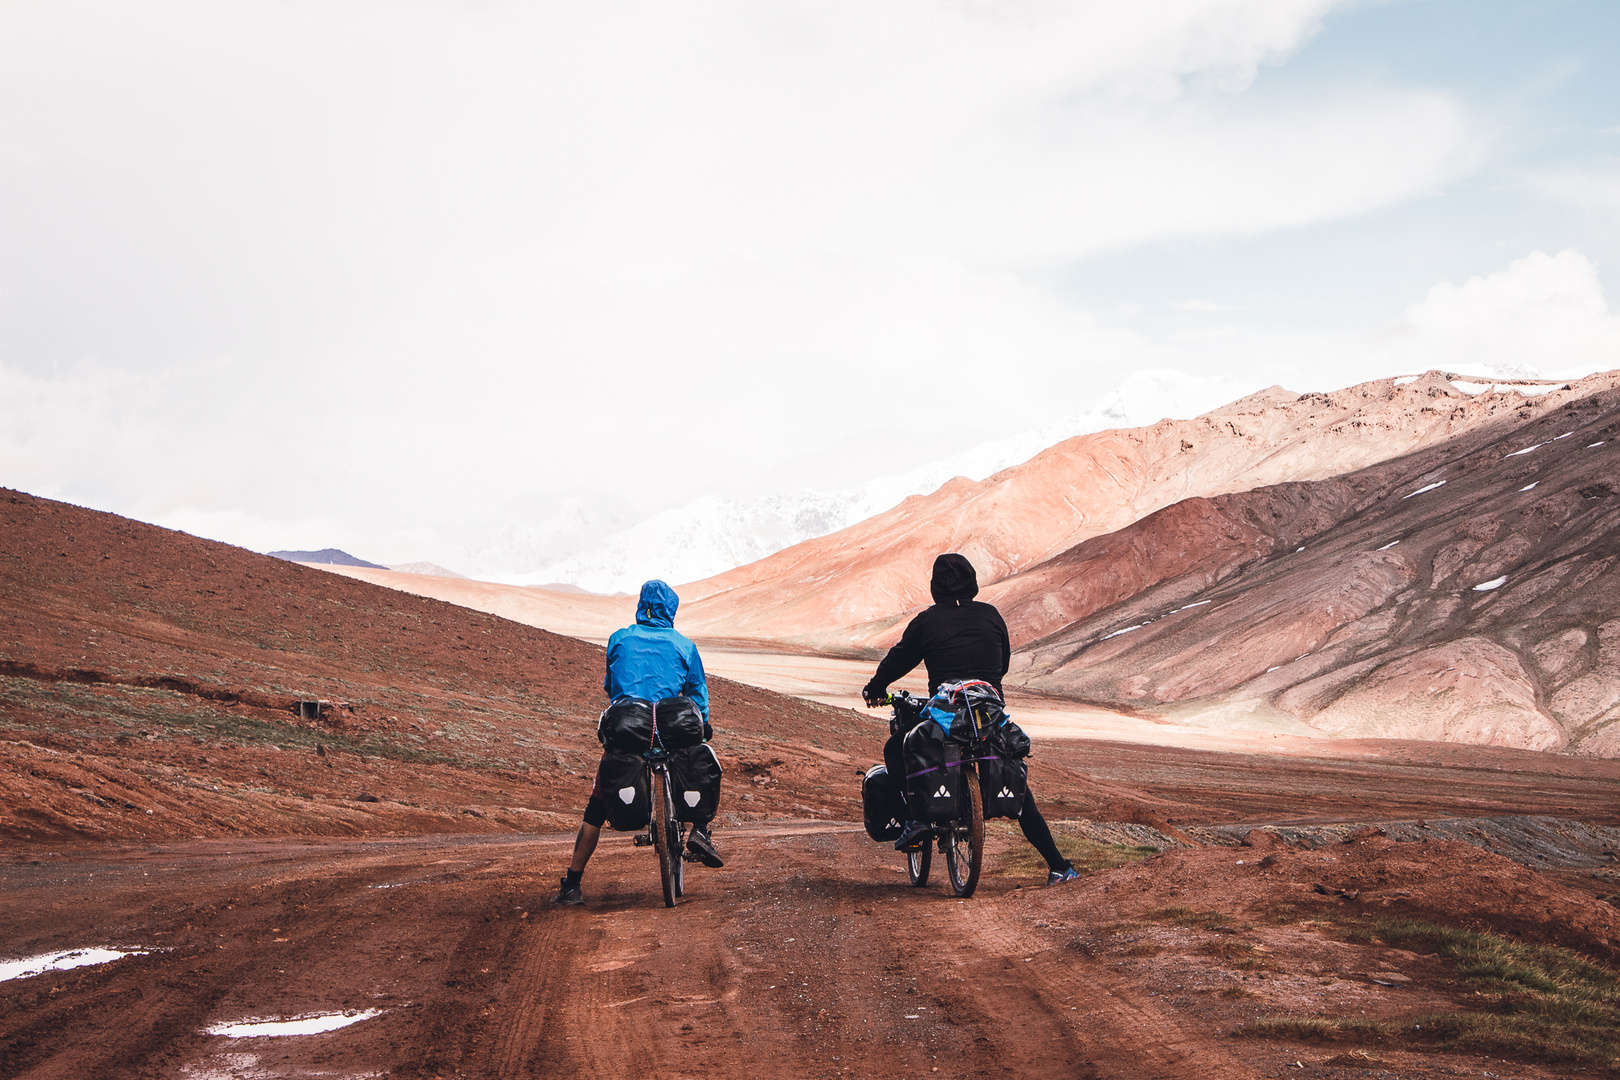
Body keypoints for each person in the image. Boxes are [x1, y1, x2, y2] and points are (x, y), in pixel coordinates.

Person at [862, 553, 1079, 884]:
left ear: (935, 587)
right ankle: (1059, 866)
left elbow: (898, 659)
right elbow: (1002, 662)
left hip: (948, 713)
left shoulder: (928, 621)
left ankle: (915, 821)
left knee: (897, 748)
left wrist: (876, 688)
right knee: (1020, 791)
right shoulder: (990, 616)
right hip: (988, 713)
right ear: (973, 582)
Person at [552, 579, 723, 905]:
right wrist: (702, 724)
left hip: (629, 730)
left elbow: (611, 685)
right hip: (670, 731)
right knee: (699, 761)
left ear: (640, 605)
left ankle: (571, 884)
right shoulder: (684, 645)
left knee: (596, 808)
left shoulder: (619, 639)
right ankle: (699, 829)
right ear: (671, 610)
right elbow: (698, 697)